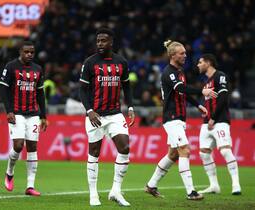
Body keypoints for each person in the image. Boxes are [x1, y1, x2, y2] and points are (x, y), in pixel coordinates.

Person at [145, 40, 217, 200]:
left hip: (179, 118)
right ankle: (191, 192)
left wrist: (197, 105)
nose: (185, 55)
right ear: (172, 55)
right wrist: (202, 91)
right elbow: (179, 88)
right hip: (171, 117)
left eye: (185, 52)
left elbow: (182, 93)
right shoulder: (169, 72)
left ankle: (151, 185)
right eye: (181, 53)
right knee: (185, 150)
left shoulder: (179, 72)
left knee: (172, 155)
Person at [79, 28, 135, 207]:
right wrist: (89, 110)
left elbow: (127, 87)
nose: (100, 44)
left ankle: (116, 191)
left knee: (125, 148)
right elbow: (82, 90)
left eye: (103, 41)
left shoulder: (121, 62)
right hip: (95, 115)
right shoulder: (90, 63)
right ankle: (93, 194)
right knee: (94, 153)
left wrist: (131, 107)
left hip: (115, 114)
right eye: (98, 41)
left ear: (111, 41)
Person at [0, 41, 47, 196]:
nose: (29, 55)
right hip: (17, 112)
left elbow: (40, 93)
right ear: (20, 51)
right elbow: (3, 89)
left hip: (33, 113)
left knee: (32, 147)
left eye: (32, 52)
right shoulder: (11, 66)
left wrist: (43, 115)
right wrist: (9, 111)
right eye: (26, 52)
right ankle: (9, 172)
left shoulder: (38, 69)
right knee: (19, 145)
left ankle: (30, 186)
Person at [197, 54, 241, 195]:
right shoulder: (206, 83)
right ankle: (214, 185)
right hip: (206, 123)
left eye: (200, 62)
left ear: (208, 63)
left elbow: (223, 98)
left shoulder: (220, 76)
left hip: (219, 121)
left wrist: (213, 118)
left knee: (225, 150)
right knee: (204, 153)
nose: (198, 65)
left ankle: (236, 184)